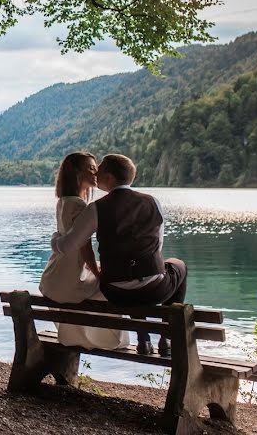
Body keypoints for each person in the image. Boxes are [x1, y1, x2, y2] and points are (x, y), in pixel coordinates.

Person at [52, 153, 188, 356]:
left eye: (101, 168)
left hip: (116, 293)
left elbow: (67, 246)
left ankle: (143, 339)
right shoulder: (152, 202)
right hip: (153, 291)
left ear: (110, 178)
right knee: (178, 266)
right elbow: (157, 245)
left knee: (126, 278)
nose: (96, 171)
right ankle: (166, 338)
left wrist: (55, 238)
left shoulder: (95, 209)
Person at [39, 152, 129, 350]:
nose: (95, 171)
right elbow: (85, 248)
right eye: (90, 168)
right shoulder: (79, 205)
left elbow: (70, 246)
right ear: (76, 173)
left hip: (53, 278)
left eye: (96, 167)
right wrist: (97, 272)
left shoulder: (64, 201)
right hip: (69, 281)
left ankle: (77, 337)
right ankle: (107, 340)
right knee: (109, 289)